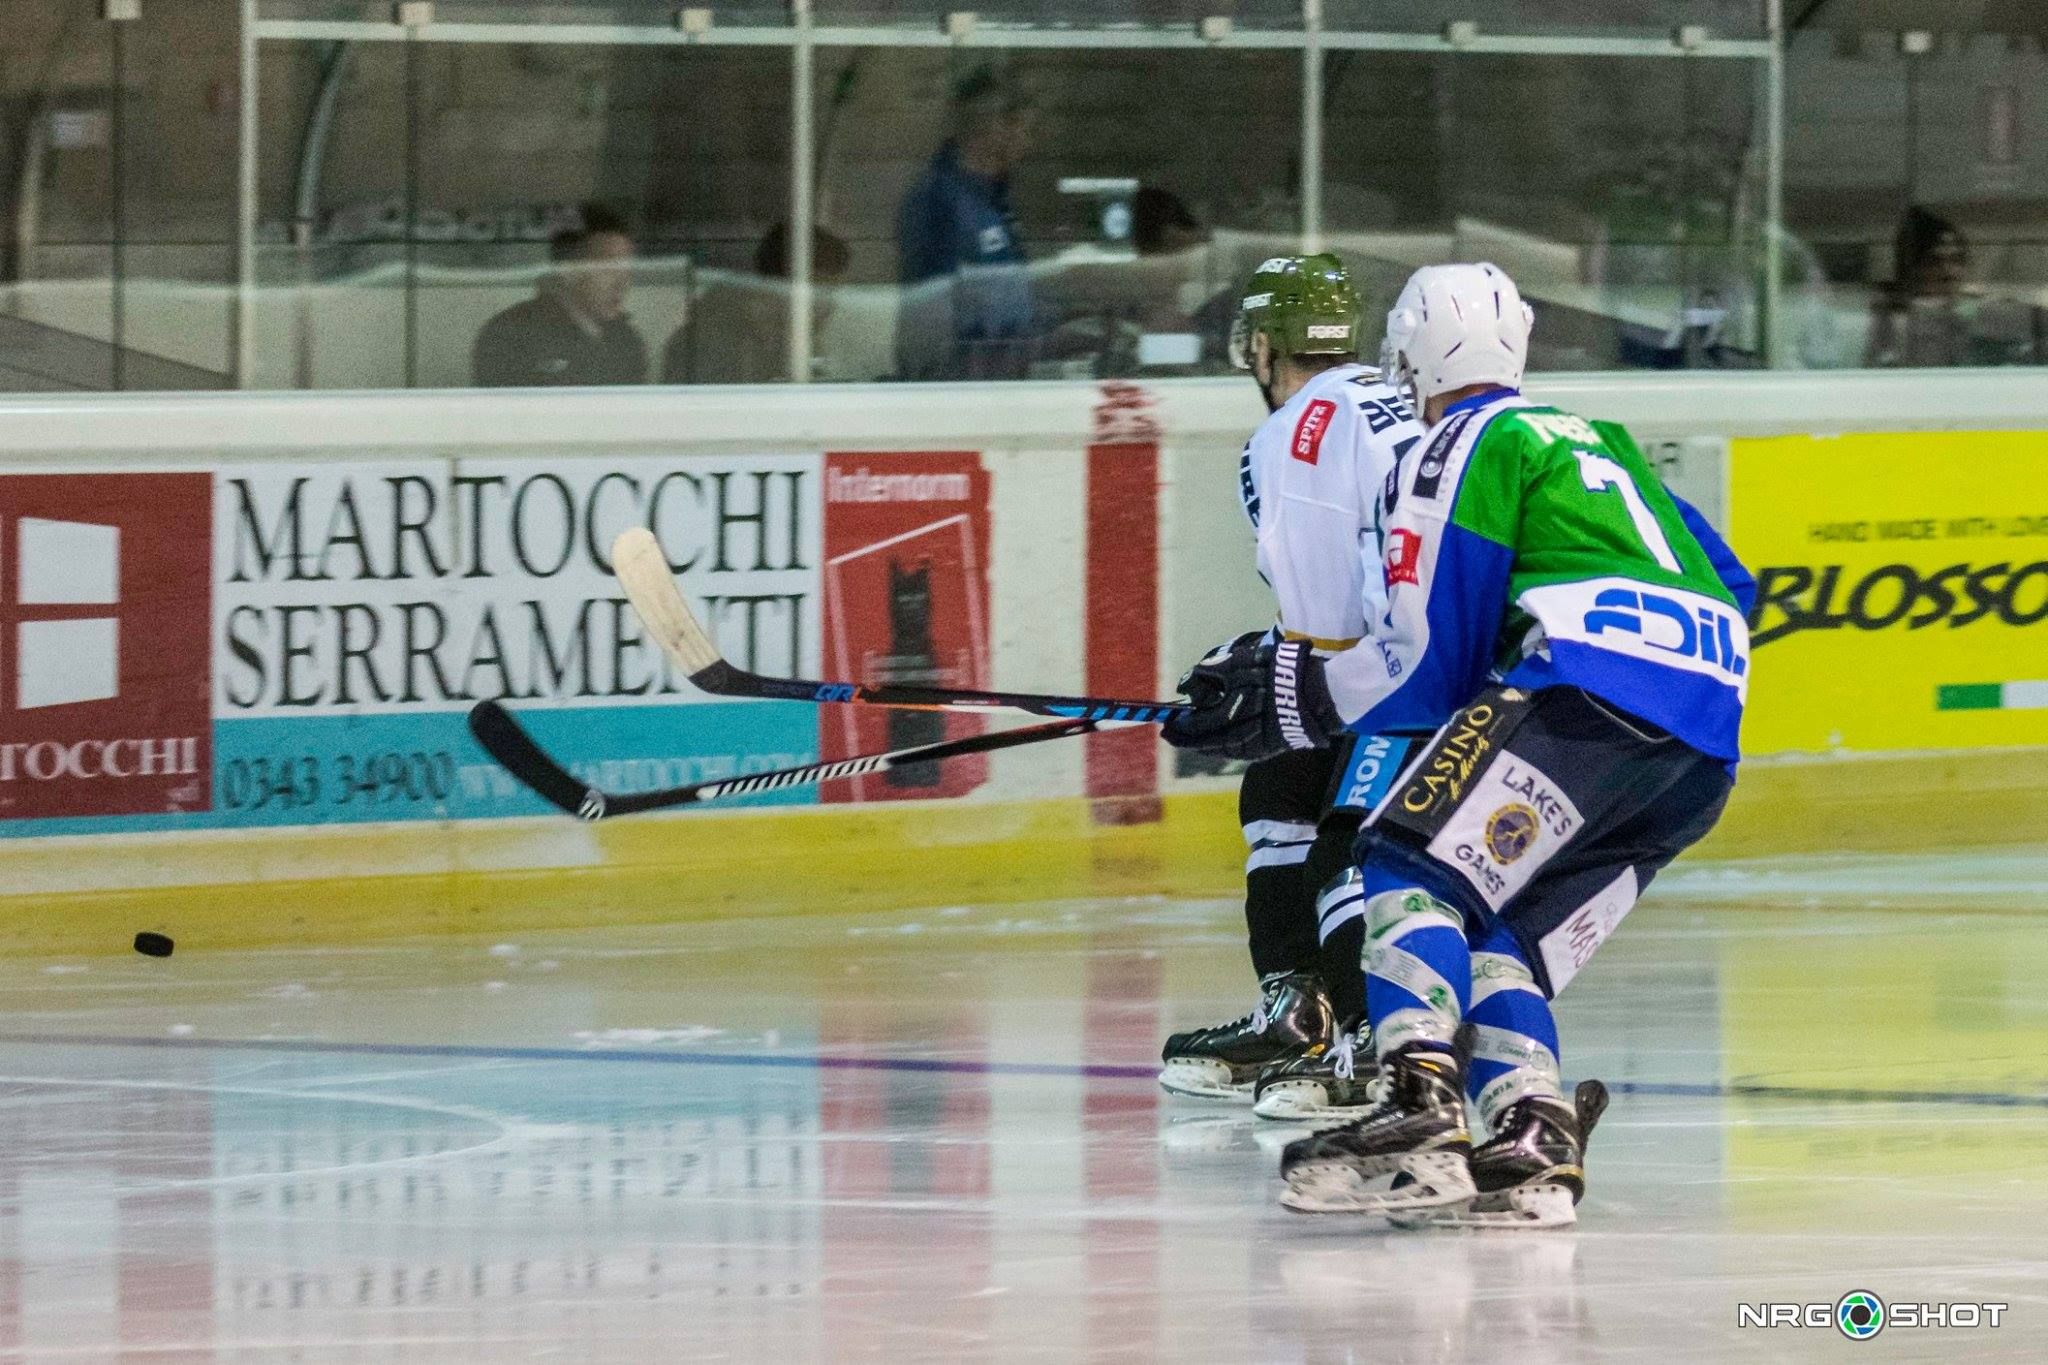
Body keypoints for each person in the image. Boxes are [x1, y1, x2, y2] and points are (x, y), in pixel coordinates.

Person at [1163, 262, 1757, 1229]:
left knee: (1402, 861)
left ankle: (1420, 1107)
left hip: (1581, 695)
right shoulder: (1595, 439)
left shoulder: (1461, 444)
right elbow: (1733, 586)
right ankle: (1530, 1137)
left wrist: (1284, 691)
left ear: (1414, 352)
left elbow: (1425, 666)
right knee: (1501, 934)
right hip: (1702, 738)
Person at [1156, 255, 1427, 1123]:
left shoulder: (1289, 434)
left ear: (1264, 346)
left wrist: (1266, 672)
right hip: (1424, 650)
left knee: (1343, 841)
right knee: (1277, 786)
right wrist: (1271, 667)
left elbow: (1325, 618)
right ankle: (1299, 1014)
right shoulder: (1392, 399)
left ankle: (1363, 1045)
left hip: (1401, 672)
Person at [895, 69, 1037, 381]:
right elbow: (932, 313)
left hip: (1003, 381)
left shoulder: (993, 199)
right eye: (1024, 130)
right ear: (997, 128)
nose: (1028, 143)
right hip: (962, 389)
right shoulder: (941, 202)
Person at [473, 205, 648, 387]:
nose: (622, 282)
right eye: (607, 268)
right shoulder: (509, 336)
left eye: (628, 268)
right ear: (568, 269)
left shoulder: (627, 342)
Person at [662, 224, 851, 385]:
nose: (829, 307)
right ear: (783, 288)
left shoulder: (798, 344)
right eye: (822, 294)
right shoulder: (699, 349)